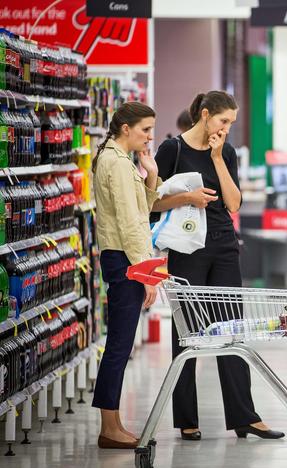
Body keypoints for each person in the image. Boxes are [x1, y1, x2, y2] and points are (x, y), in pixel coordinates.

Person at [153, 91, 284, 441]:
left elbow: (234, 203)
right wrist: (187, 198)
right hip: (187, 248)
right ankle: (187, 419)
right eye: (224, 121)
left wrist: (218, 159)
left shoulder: (225, 151)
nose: (227, 128)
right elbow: (151, 202)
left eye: (231, 123)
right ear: (206, 114)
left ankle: (245, 416)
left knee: (232, 330)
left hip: (224, 245)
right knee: (187, 334)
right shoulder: (172, 150)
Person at [92, 102, 161, 449]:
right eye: (145, 129)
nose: (149, 137)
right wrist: (146, 271)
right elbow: (130, 223)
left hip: (124, 257)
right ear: (125, 128)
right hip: (124, 260)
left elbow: (141, 211)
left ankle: (113, 421)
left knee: (121, 343)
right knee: (119, 345)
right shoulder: (115, 163)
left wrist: (150, 174)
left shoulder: (121, 160)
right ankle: (108, 427)